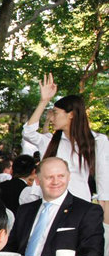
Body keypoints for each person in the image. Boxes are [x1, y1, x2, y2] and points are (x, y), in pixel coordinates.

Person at [23, 74, 109, 220]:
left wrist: (104, 221)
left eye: (55, 113)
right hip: (49, 207)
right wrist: (44, 101)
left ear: (71, 115)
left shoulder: (97, 141)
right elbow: (28, 132)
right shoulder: (50, 141)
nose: (51, 118)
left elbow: (104, 182)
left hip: (79, 208)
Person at [5, 157, 104, 256]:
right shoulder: (25, 210)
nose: (55, 182)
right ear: (37, 180)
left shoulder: (87, 211)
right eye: (49, 177)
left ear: (68, 177)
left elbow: (93, 254)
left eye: (61, 176)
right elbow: (10, 249)